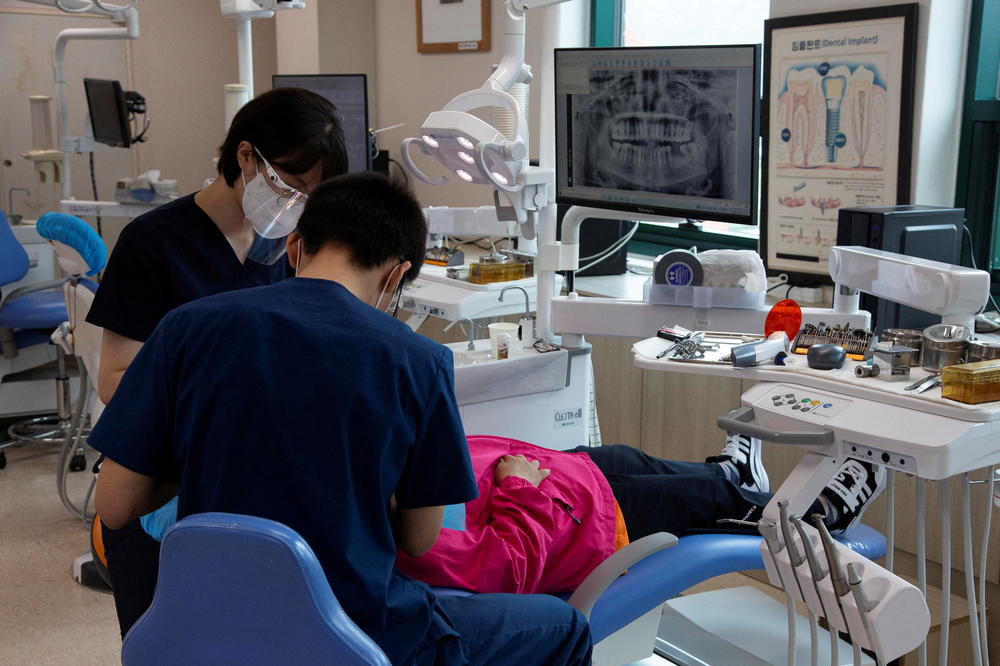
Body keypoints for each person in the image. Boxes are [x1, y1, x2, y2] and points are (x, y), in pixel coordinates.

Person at [90, 173, 592, 665]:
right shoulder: (418, 361)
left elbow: (114, 505)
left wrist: (208, 458)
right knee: (561, 625)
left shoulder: (187, 326)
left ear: (294, 248)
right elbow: (419, 540)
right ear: (396, 275)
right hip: (353, 634)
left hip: (206, 624)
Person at [85, 86, 350, 635]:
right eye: (291, 186)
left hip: (256, 487)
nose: (297, 205)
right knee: (171, 642)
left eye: (311, 195)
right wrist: (217, 404)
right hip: (161, 486)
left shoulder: (292, 247)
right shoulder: (153, 243)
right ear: (247, 157)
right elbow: (114, 377)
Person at [396, 434, 886, 595]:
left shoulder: (381, 477)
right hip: (583, 528)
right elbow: (510, 562)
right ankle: (823, 514)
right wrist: (518, 484)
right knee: (703, 502)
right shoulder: (417, 539)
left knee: (632, 459)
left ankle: (732, 474)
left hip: (559, 477)